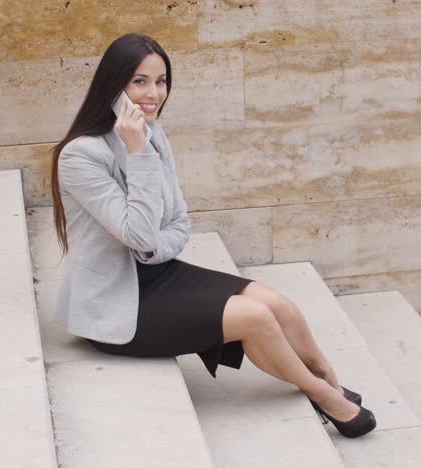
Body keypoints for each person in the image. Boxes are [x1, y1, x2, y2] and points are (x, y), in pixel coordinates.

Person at [50, 33, 376, 438]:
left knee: (280, 305)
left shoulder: (154, 135)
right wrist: (137, 156)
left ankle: (327, 374)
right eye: (139, 81)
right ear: (113, 86)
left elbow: (176, 225)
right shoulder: (82, 155)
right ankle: (326, 397)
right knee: (256, 318)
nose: (153, 94)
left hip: (160, 272)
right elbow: (140, 231)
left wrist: (150, 248)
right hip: (116, 303)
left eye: (161, 80)